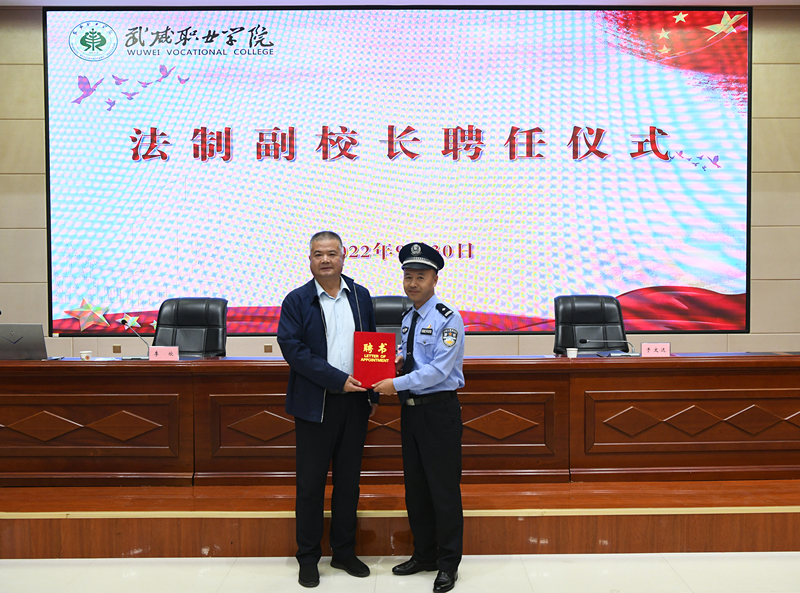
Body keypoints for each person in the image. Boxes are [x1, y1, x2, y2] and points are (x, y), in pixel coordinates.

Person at [277, 231, 378, 588]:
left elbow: (371, 345)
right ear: (309, 259)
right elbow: (294, 350)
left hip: (355, 404)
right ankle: (308, 557)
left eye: (331, 253)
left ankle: (344, 552)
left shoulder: (361, 296)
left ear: (343, 256)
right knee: (310, 486)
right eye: (318, 254)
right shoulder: (297, 300)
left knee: (348, 484)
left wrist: (373, 391)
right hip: (315, 406)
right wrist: (337, 379)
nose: (325, 260)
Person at [373, 241, 465, 593]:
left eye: (420, 277)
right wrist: (397, 359)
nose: (412, 283)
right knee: (416, 490)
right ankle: (424, 554)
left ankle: (448, 564)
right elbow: (411, 355)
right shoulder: (409, 316)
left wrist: (394, 383)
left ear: (434, 279)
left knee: (443, 491)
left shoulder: (447, 317)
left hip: (439, 412)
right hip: (411, 413)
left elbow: (439, 371)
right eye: (408, 276)